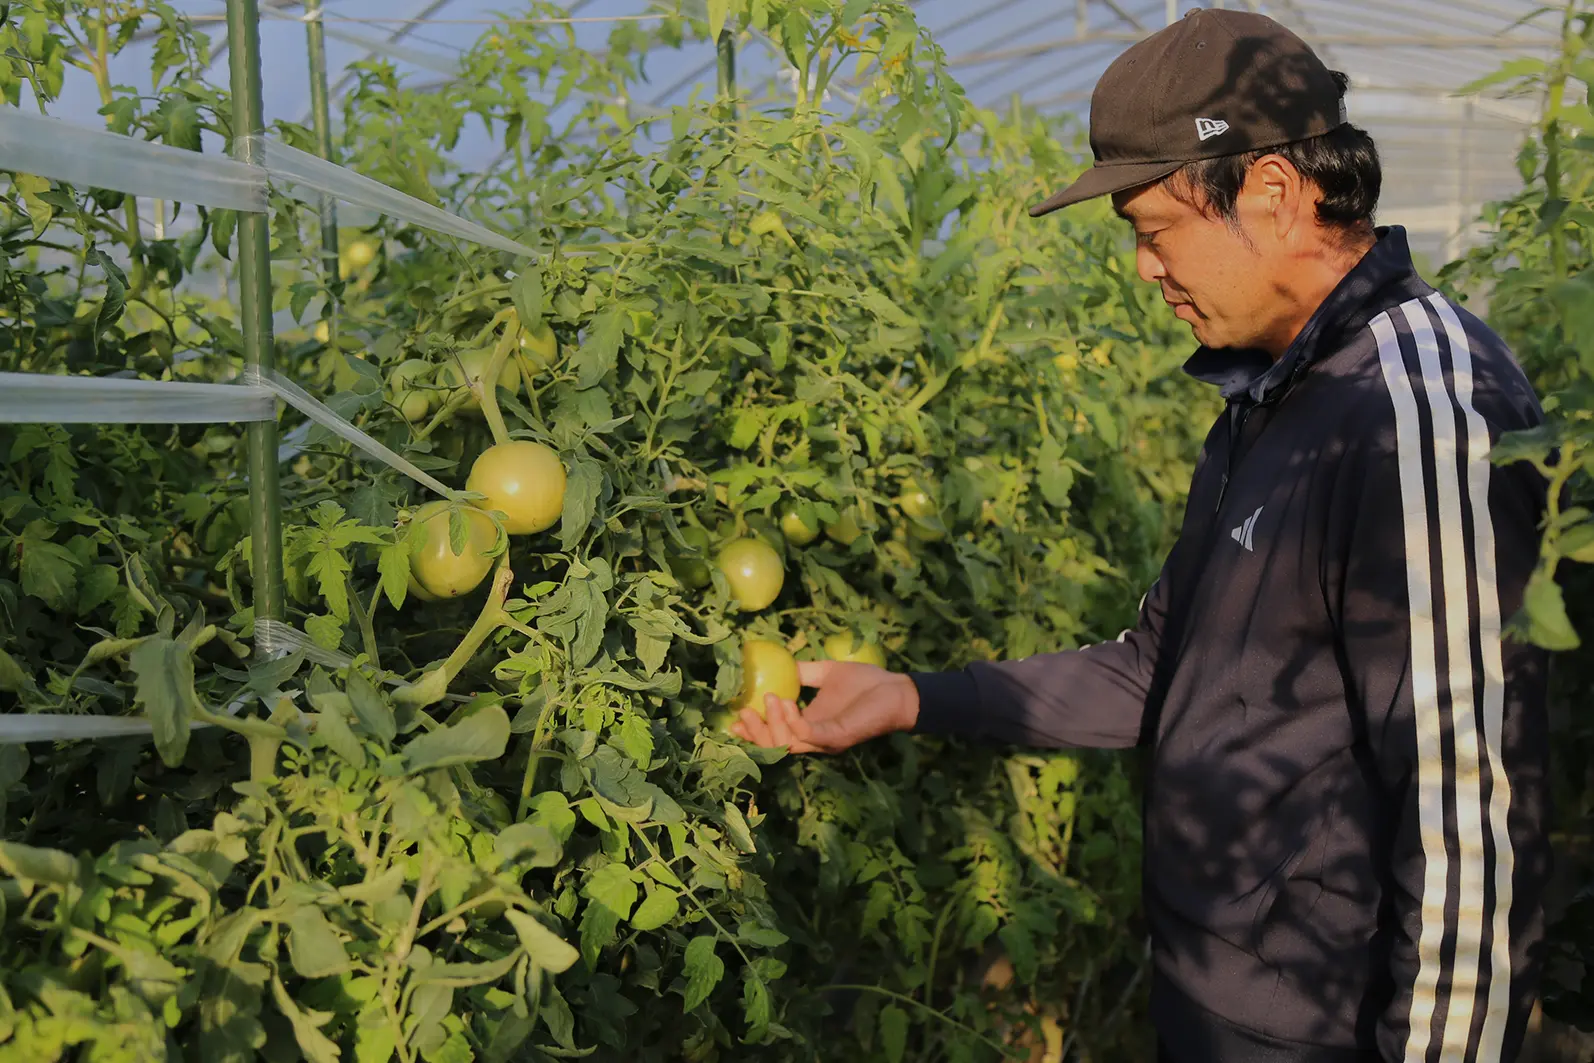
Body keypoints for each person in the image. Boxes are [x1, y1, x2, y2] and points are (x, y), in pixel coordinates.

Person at [731, 9, 1552, 1063]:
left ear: (1270, 191)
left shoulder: (1415, 411)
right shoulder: (1270, 397)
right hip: (1211, 1001)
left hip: (1322, 1030)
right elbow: (1156, 671)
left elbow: (1466, 821)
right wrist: (914, 696)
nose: (1142, 267)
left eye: (1153, 229)